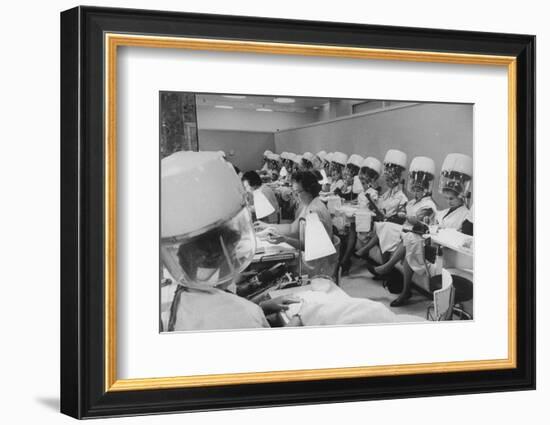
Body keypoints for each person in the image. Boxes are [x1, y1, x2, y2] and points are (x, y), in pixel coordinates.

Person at [161, 151, 299, 332]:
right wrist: (297, 322)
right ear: (225, 255)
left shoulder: (182, 297)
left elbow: (222, 303)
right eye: (235, 250)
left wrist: (263, 306)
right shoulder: (241, 316)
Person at [395, 154, 473, 307]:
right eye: (447, 199)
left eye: (452, 199)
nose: (448, 202)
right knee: (411, 239)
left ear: (461, 198)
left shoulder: (465, 214)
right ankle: (404, 290)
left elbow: (459, 237)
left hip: (448, 252)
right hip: (434, 244)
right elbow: (434, 223)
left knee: (411, 240)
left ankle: (404, 291)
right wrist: (429, 224)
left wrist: (440, 231)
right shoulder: (444, 212)